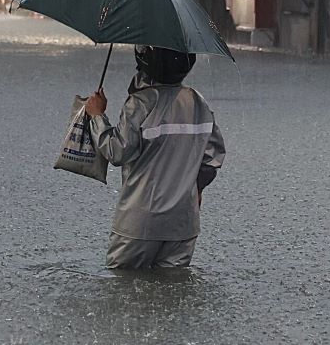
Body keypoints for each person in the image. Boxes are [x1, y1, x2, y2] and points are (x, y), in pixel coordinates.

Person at [84, 45, 226, 269]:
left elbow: (117, 151)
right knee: (173, 295)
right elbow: (213, 156)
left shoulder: (141, 103)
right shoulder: (199, 102)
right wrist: (196, 189)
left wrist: (97, 116)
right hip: (183, 222)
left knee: (125, 291)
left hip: (140, 222)